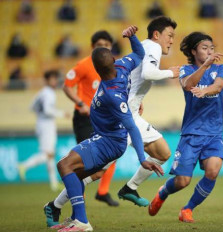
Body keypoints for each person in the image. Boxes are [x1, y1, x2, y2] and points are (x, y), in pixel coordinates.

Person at [52, 26, 164, 232]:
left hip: (109, 140)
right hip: (104, 136)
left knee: (65, 166)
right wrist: (132, 37)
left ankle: (82, 222)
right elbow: (139, 54)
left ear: (95, 69)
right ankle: (73, 217)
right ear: (113, 59)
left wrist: (142, 157)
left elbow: (131, 126)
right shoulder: (121, 65)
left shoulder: (114, 95)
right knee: (73, 170)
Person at [148, 31, 223, 223]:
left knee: (213, 170)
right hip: (191, 134)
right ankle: (163, 192)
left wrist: (205, 90)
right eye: (204, 48)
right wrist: (205, 66)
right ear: (193, 51)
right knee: (183, 181)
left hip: (214, 133)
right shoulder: (185, 70)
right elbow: (187, 85)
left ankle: (187, 209)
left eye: (211, 48)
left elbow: (218, 87)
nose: (209, 51)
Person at [117, 16, 179, 206]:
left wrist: (136, 99)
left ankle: (130, 188)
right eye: (169, 35)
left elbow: (133, 76)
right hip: (123, 116)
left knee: (162, 152)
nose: (171, 40)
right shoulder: (153, 47)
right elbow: (148, 73)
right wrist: (171, 73)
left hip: (131, 112)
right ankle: (57, 204)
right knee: (97, 169)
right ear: (156, 34)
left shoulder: (144, 46)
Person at [62, 30, 119, 207]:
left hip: (105, 117)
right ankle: (79, 200)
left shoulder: (114, 66)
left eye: (107, 45)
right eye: (100, 45)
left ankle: (102, 192)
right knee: (85, 159)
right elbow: (67, 86)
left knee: (112, 155)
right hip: (85, 117)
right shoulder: (83, 65)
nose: (104, 48)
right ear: (93, 47)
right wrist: (80, 104)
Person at [18, 70, 67, 191]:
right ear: (47, 80)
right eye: (52, 79)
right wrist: (61, 113)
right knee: (47, 154)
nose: (55, 81)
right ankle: (24, 165)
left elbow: (32, 107)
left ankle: (54, 183)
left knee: (50, 154)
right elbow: (47, 110)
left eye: (55, 78)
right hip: (46, 125)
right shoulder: (49, 93)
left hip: (41, 123)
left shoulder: (41, 93)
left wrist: (40, 114)